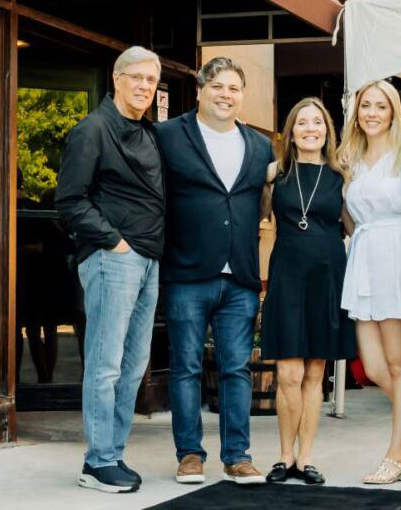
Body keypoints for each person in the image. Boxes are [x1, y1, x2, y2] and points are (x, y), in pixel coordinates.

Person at [156, 56, 274, 486]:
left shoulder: (260, 145)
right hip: (186, 272)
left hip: (240, 277)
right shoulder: (168, 136)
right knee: (186, 366)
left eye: (234, 89)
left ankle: (237, 455)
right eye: (218, 87)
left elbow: (263, 202)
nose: (227, 95)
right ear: (201, 90)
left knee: (236, 369)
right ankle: (189, 454)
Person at [55, 46, 166, 494]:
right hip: (112, 258)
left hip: (148, 261)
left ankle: (111, 455)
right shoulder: (92, 130)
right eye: (136, 77)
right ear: (116, 79)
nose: (144, 86)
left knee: (134, 365)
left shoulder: (149, 133)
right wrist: (114, 242)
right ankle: (98, 460)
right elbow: (69, 203)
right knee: (105, 365)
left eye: (150, 80)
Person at [259, 98, 355, 486]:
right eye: (302, 122)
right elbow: (259, 216)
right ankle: (285, 457)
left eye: (318, 122)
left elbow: (353, 228)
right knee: (288, 373)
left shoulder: (342, 176)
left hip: (328, 276)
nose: (310, 128)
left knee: (315, 373)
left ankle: (307, 458)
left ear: (327, 131)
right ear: (291, 131)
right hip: (286, 275)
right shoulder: (274, 172)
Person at [338, 79, 401, 485]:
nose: (372, 113)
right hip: (363, 255)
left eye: (380, 106)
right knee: (372, 367)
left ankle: (397, 454)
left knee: (398, 363)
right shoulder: (350, 156)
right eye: (365, 106)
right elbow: (349, 213)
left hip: (394, 253)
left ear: (393, 113)